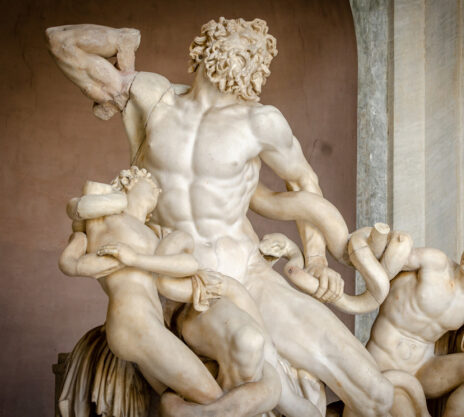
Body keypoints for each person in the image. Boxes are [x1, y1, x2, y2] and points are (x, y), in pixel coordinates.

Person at [47, 17, 393, 416]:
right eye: (233, 42)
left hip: (250, 273)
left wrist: (315, 259)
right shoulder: (153, 97)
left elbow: (303, 182)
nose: (244, 53)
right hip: (191, 286)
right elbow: (62, 43)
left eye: (253, 51)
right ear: (204, 47)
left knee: (375, 392)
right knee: (252, 356)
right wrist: (122, 41)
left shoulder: (261, 122)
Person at [59, 167, 283, 417]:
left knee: (206, 396)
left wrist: (134, 259)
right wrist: (108, 263)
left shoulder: (153, 234)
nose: (157, 190)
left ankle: (178, 407)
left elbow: (188, 264)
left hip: (154, 325)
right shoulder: (104, 219)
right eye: (149, 184)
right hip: (133, 321)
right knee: (214, 399)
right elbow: (69, 261)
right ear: (128, 182)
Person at [366, 227, 464, 417]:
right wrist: (392, 243)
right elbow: (388, 260)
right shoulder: (436, 263)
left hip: (422, 370)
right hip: (383, 364)